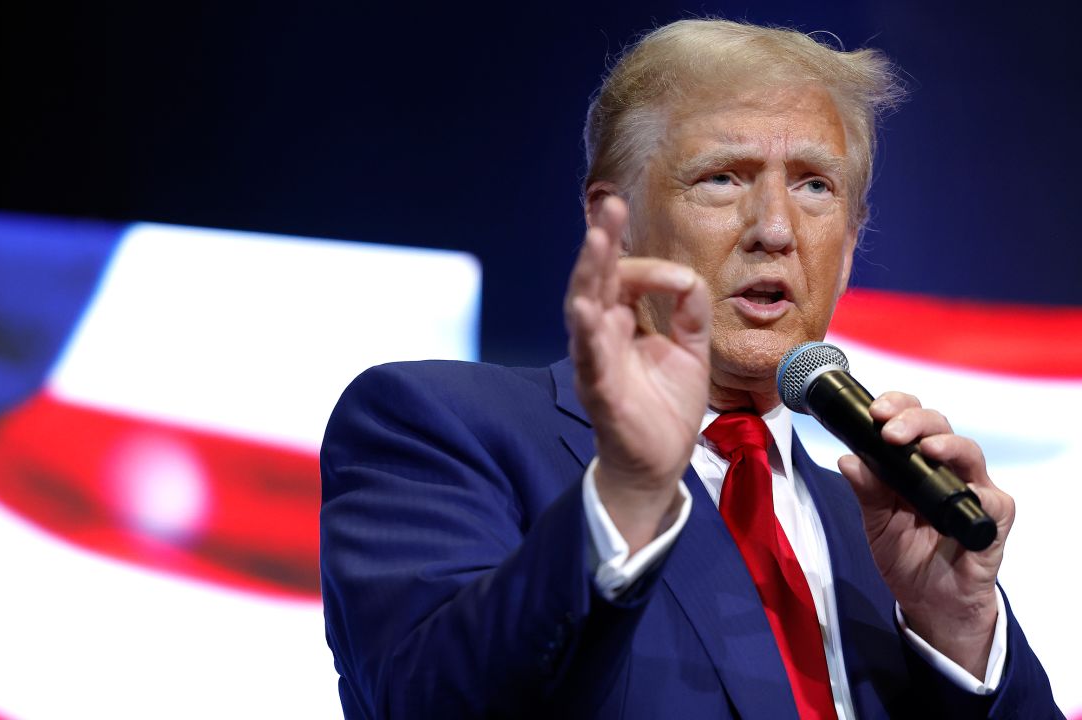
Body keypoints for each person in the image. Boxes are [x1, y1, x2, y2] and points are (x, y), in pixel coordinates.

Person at [319, 19, 1061, 719]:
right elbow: (430, 701)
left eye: (814, 185)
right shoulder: (439, 424)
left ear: (850, 246)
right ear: (612, 224)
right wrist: (625, 500)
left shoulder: (891, 533)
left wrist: (960, 630)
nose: (775, 229)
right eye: (722, 178)